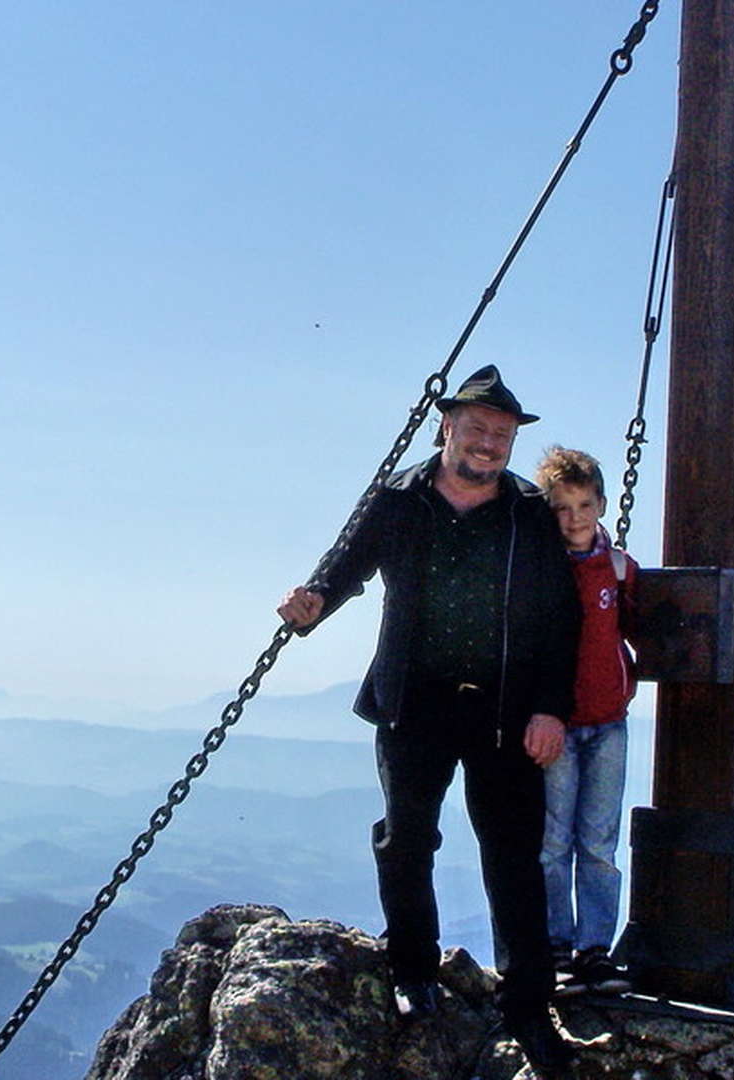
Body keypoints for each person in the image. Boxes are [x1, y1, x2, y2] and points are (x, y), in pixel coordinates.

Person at [278, 365, 580, 1075]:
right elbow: (345, 565)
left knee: (513, 855)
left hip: (507, 712)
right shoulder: (397, 499)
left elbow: (559, 619)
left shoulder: (529, 512)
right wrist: (312, 602)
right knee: (408, 839)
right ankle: (413, 972)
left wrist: (550, 709)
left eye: (502, 435)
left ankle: (529, 1007)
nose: (489, 444)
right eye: (477, 429)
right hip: (415, 703)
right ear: (446, 426)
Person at [533, 446, 637, 993]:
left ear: (600, 504)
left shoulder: (619, 569)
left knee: (599, 841)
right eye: (561, 507)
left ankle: (594, 948)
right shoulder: (540, 569)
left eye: (583, 504)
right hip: (560, 727)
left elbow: (641, 629)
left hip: (609, 725)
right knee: (553, 841)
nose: (573, 518)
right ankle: (555, 945)